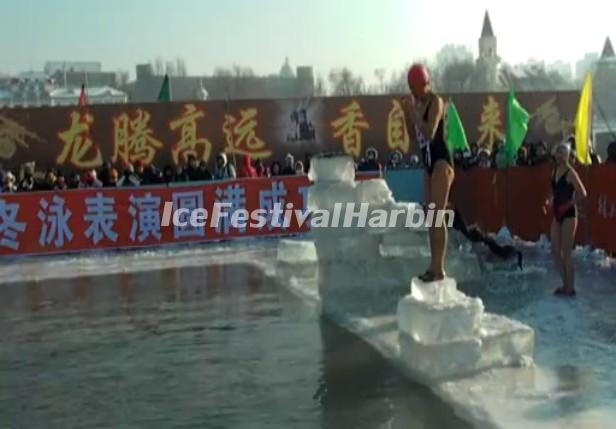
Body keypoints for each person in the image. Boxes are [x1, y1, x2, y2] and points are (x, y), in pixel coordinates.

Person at [402, 63, 454, 282]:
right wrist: (407, 113)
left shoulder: (436, 102)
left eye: (415, 88)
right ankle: (433, 267)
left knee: (438, 215)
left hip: (442, 162)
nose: (413, 93)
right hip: (429, 164)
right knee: (431, 218)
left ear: (424, 84)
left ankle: (439, 268)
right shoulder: (417, 105)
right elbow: (413, 137)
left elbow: (430, 133)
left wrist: (413, 114)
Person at [545, 142, 587, 297]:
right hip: (556, 214)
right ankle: (565, 284)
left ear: (568, 155)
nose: (560, 155)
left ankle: (571, 288)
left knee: (566, 253)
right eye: (558, 152)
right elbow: (553, 191)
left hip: (569, 214)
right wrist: (549, 201)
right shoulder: (554, 170)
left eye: (563, 152)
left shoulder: (571, 173)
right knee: (555, 251)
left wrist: (569, 203)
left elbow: (583, 193)